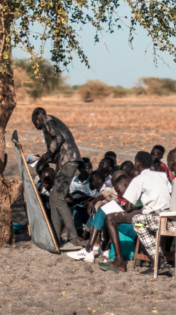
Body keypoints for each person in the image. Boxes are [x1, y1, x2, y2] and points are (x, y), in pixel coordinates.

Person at [100, 151, 172, 274]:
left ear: (137, 164)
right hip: (168, 215)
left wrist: (138, 206)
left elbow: (128, 207)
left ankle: (119, 261)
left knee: (110, 219)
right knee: (139, 219)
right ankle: (155, 260)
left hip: (153, 216)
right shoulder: (162, 176)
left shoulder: (138, 179)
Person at [31, 107, 83, 249]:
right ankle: (55, 236)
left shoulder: (45, 118)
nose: (35, 125)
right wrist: (44, 157)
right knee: (54, 196)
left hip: (68, 160)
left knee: (57, 197)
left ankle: (73, 237)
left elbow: (58, 138)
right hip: (66, 161)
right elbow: (59, 143)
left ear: (36, 116)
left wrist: (47, 154)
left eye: (33, 121)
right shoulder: (51, 122)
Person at [68, 171, 132, 262]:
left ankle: (90, 249)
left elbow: (130, 210)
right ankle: (100, 246)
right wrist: (93, 202)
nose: (117, 193)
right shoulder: (121, 190)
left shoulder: (134, 194)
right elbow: (103, 196)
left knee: (104, 211)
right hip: (123, 221)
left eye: (118, 190)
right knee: (103, 209)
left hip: (133, 226)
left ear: (126, 185)